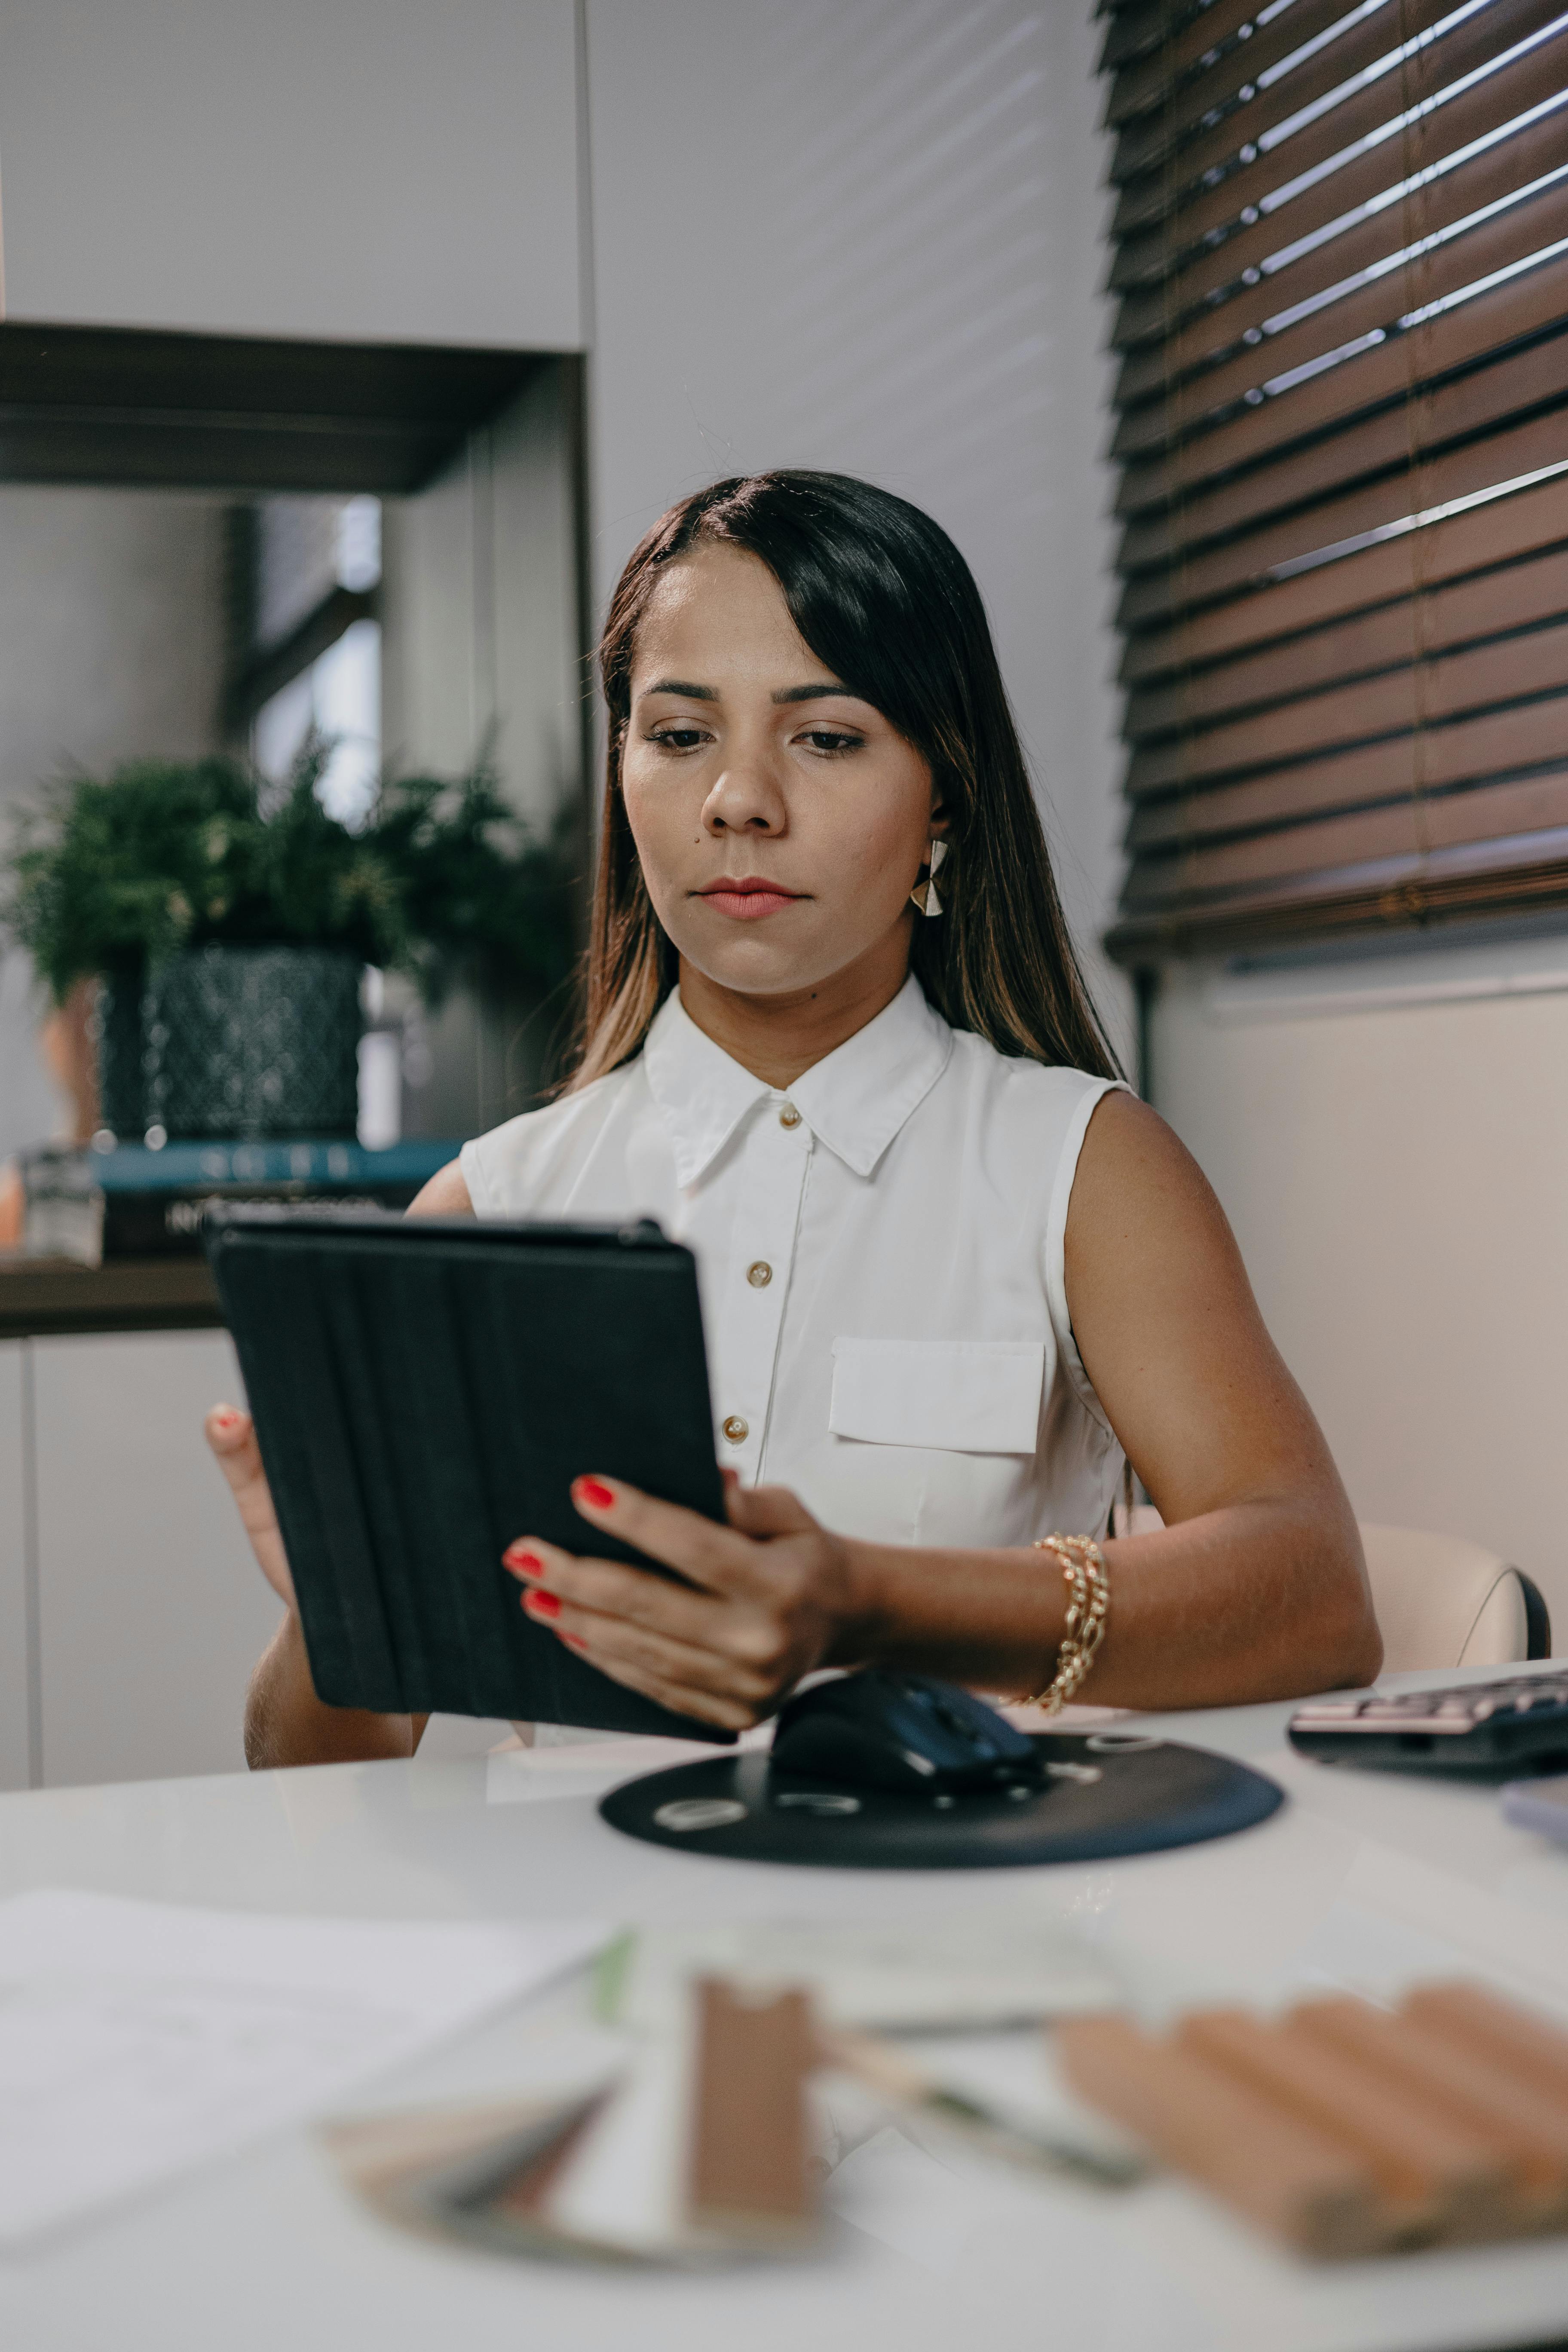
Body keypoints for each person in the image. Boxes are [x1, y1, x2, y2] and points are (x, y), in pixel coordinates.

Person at [209, 471, 1380, 1768]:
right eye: (680, 735)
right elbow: (306, 1782)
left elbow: (1318, 1596)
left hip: (974, 1931)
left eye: (825, 737)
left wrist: (865, 1601)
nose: (740, 801)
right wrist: (343, 1599)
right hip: (593, 1946)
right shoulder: (493, 1207)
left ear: (944, 792)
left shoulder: (1083, 1166)